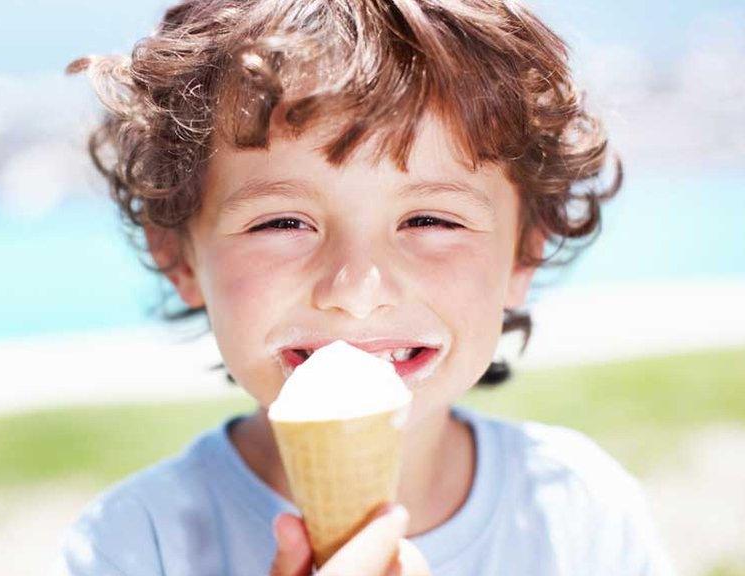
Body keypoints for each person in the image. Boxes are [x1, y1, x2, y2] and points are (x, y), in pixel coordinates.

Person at [61, 0, 674, 574]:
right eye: (282, 222)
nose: (356, 291)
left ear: (526, 250)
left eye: (429, 220)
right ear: (179, 257)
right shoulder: (135, 544)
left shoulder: (581, 517)